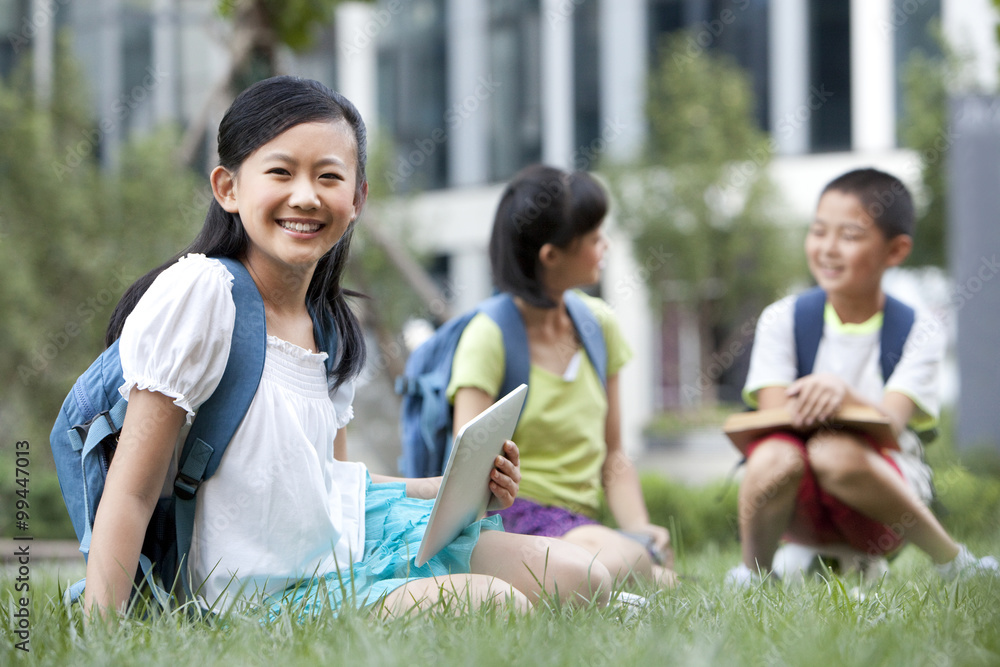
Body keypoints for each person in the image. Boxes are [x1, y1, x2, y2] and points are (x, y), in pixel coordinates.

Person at [83, 77, 613, 621]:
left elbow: (325, 479)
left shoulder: (329, 322)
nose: (307, 196)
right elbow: (132, 492)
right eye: (281, 172)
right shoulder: (203, 294)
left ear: (357, 198)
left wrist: (450, 488)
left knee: (581, 576)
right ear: (228, 188)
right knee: (498, 605)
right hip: (257, 599)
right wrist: (100, 639)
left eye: (329, 176)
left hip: (341, 551)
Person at [728, 167, 998, 586]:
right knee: (772, 456)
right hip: (799, 500)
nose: (828, 249)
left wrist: (844, 395)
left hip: (880, 504)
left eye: (850, 236)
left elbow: (891, 423)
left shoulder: (918, 328)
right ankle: (754, 575)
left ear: (895, 251)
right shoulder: (784, 319)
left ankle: (952, 563)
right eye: (818, 231)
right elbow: (773, 417)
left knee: (833, 452)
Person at [448, 164, 677, 590]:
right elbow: (467, 472)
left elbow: (614, 455)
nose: (604, 246)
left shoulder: (598, 326)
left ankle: (612, 578)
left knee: (645, 563)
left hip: (581, 526)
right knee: (637, 568)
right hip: (513, 518)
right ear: (551, 256)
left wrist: (640, 528)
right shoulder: (489, 337)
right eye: (593, 238)